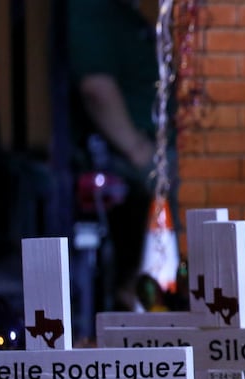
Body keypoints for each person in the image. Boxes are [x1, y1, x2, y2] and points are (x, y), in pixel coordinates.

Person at [68, 0, 173, 309]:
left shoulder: (136, 12)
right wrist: (139, 151)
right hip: (129, 152)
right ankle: (141, 298)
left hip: (173, 141)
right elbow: (96, 89)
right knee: (185, 188)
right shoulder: (91, 12)